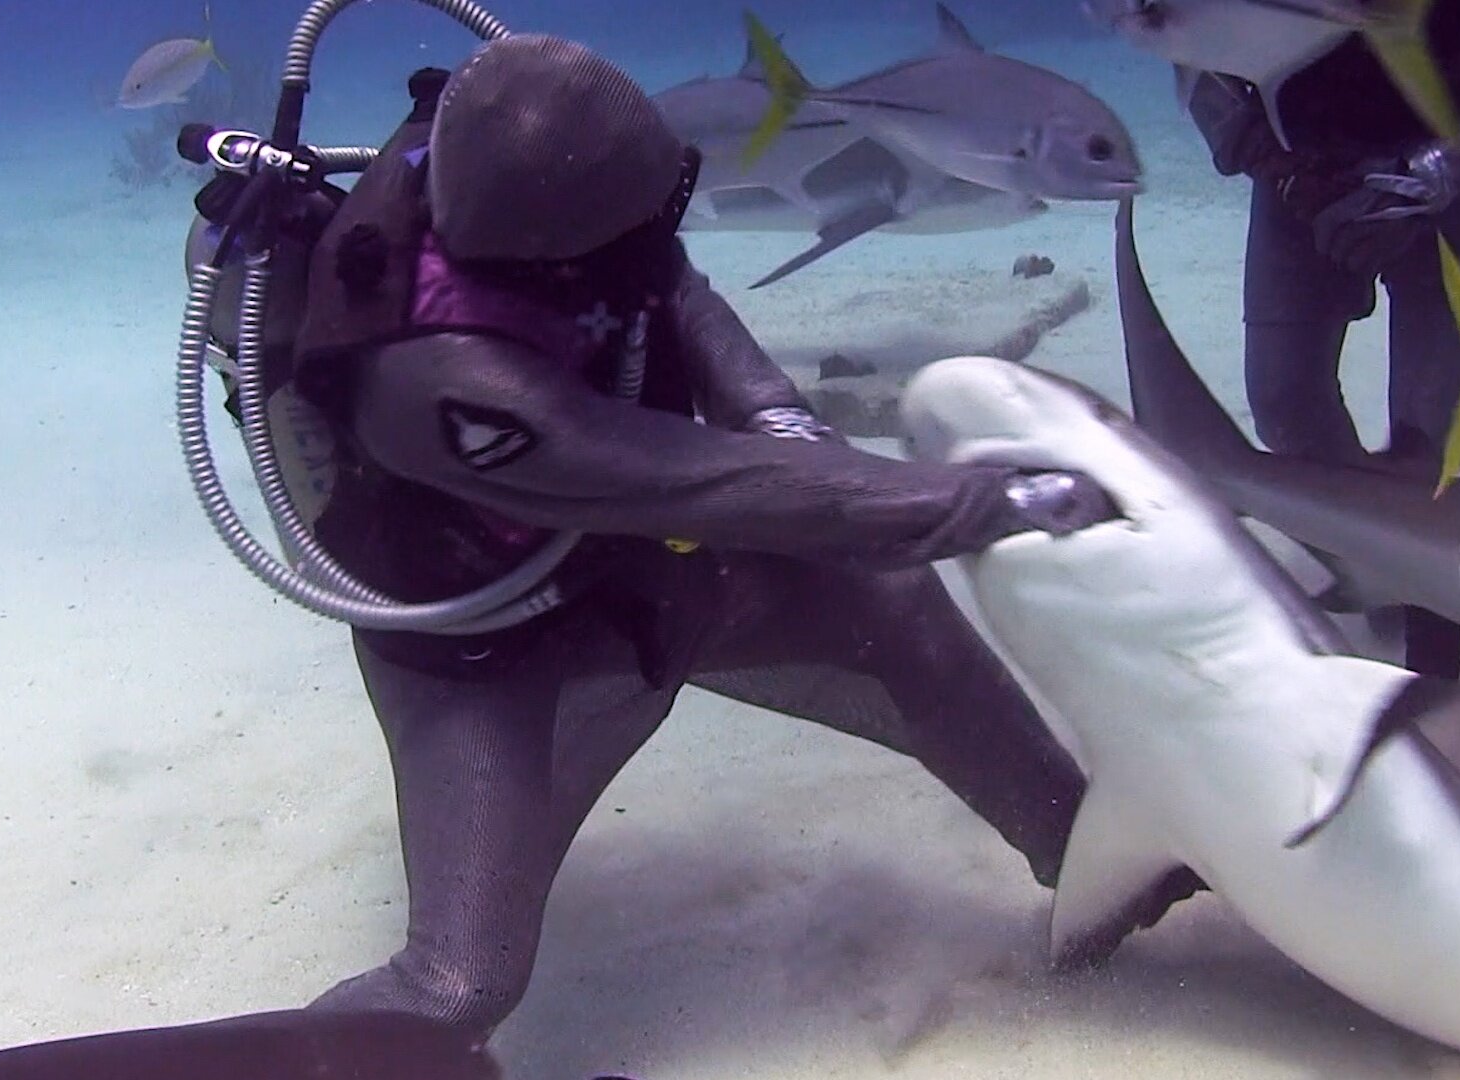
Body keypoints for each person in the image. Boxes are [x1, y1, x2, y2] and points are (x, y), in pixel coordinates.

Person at [280, 33, 1166, 1041]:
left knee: (889, 608)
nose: (665, 229)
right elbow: (712, 485)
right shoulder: (441, 381)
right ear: (551, 248)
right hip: (483, 649)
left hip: (633, 570)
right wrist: (995, 503)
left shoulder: (564, 218)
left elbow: (674, 291)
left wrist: (781, 416)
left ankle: (1107, 869)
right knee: (462, 988)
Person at [1184, 0, 1460, 676]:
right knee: (1285, 398)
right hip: (1301, 157)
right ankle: (1373, 565)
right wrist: (1267, 155)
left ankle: (1436, 638)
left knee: (1435, 431)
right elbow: (1180, 29)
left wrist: (1440, 172)